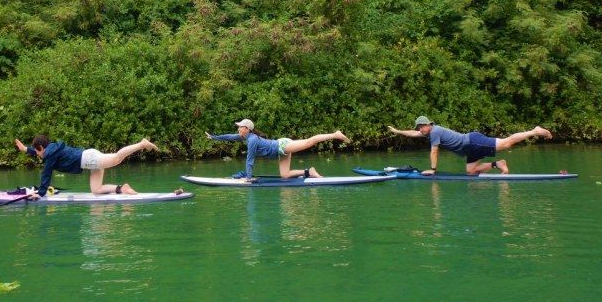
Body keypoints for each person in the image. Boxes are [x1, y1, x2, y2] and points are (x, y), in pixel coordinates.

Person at [387, 116, 553, 175]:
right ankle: (499, 164)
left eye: (421, 127)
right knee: (471, 171)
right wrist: (397, 131)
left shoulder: (435, 132)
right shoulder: (428, 132)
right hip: (469, 150)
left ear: (428, 125)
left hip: (472, 142)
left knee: (506, 142)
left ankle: (534, 131)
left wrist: (433, 170)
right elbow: (412, 133)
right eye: (418, 128)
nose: (419, 130)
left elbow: (434, 152)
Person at [14, 134, 166, 198]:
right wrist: (26, 149)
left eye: (37, 151)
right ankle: (122, 188)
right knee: (96, 190)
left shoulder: (50, 156)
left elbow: (45, 175)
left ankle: (141, 144)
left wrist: (39, 194)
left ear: (42, 148)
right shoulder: (51, 149)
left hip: (90, 159)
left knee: (117, 158)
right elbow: (40, 153)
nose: (37, 154)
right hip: (89, 160)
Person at [205, 118, 351, 180]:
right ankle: (309, 172)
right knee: (285, 176)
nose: (237, 129)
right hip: (280, 152)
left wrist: (248, 179)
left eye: (240, 127)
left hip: (282, 146)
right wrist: (213, 137)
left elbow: (250, 161)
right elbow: (230, 137)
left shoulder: (252, 140)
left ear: (247, 129)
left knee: (308, 142)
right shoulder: (246, 137)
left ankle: (335, 134)